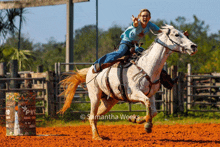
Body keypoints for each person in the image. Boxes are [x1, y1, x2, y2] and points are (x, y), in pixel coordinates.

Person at [93, 8, 178, 89]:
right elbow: (135, 25)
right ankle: (98, 63)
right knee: (120, 53)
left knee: (150, 58)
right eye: (143, 16)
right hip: (126, 42)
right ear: (140, 17)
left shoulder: (150, 25)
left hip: (135, 45)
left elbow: (161, 31)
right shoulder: (137, 23)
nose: (144, 17)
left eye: (146, 16)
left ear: (149, 18)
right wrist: (135, 22)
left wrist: (176, 34)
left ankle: (169, 81)